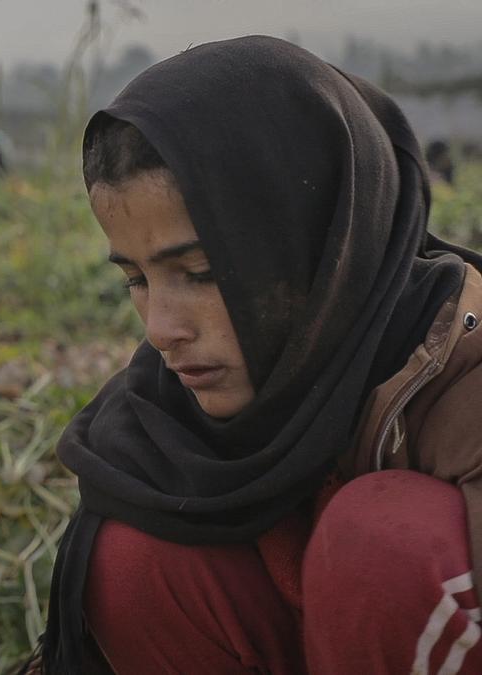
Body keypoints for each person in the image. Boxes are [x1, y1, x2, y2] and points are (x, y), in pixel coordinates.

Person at [33, 36, 482, 674]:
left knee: (381, 542)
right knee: (135, 553)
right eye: (137, 279)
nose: (161, 330)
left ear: (322, 245)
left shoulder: (461, 368)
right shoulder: (161, 406)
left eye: (204, 270)